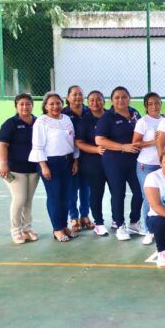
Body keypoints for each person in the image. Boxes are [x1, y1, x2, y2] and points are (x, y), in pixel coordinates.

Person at [28, 92, 79, 242]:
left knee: (67, 195)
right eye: (51, 104)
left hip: (68, 161)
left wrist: (75, 161)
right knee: (55, 195)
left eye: (58, 103)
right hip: (50, 163)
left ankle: (64, 226)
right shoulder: (42, 122)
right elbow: (37, 145)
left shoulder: (67, 119)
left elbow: (73, 141)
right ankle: (57, 229)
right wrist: (43, 166)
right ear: (45, 106)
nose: (55, 106)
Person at [95, 86, 143, 241]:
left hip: (134, 160)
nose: (120, 100)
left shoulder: (135, 113)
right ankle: (120, 225)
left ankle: (134, 222)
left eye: (124, 97)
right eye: (117, 97)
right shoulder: (107, 117)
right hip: (114, 161)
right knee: (118, 193)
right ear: (112, 100)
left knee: (140, 191)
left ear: (129, 98)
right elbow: (100, 140)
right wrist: (123, 147)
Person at [0, 93, 39, 244]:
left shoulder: (38, 122)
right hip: (14, 169)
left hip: (34, 169)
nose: (25, 107)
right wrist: (3, 164)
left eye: (28, 104)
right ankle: (16, 231)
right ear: (16, 106)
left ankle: (27, 229)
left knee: (28, 200)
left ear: (32, 105)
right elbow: (2, 145)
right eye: (21, 104)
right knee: (19, 199)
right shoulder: (10, 124)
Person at [74, 90, 110, 237]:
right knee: (96, 193)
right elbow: (79, 142)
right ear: (88, 103)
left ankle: (117, 221)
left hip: (112, 162)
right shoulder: (84, 120)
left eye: (98, 100)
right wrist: (96, 149)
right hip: (92, 163)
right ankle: (99, 223)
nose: (95, 103)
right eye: (92, 100)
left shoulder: (111, 116)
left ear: (104, 101)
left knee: (117, 192)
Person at [132, 92, 164, 245]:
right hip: (146, 165)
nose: (154, 106)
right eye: (150, 104)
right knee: (148, 198)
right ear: (145, 106)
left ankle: (164, 229)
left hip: (163, 165)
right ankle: (148, 230)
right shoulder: (142, 122)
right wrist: (154, 142)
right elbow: (135, 143)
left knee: (163, 198)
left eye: (157, 103)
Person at [62, 84, 93, 232]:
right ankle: (73, 217)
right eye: (74, 94)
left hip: (87, 156)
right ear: (68, 97)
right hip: (71, 157)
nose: (78, 97)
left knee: (86, 188)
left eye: (80, 94)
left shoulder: (89, 111)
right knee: (72, 188)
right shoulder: (63, 114)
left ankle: (85, 215)